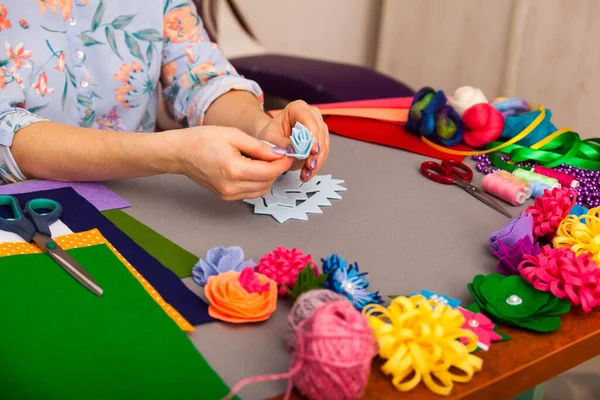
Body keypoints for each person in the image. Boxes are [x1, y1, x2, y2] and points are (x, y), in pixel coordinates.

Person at [0, 0, 329, 201]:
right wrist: (173, 154)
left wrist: (262, 129)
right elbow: (5, 132)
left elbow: (199, 75)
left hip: (142, 201)